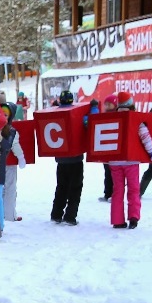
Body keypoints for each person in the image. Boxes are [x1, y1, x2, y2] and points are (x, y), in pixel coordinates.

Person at [109, 92, 152, 229]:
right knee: (133, 189)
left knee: (117, 190)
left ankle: (117, 220)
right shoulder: (136, 119)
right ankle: (134, 217)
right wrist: (151, 152)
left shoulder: (112, 118)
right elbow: (145, 136)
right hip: (131, 161)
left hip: (115, 162)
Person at [50, 90, 85, 225]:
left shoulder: (54, 113)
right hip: (76, 159)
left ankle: (56, 213)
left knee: (61, 187)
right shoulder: (77, 113)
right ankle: (70, 216)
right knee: (75, 188)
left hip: (61, 159)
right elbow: (88, 123)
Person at [0, 99, 26, 224]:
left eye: (5, 115)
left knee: (7, 190)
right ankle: (0, 216)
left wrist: (21, 157)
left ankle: (8, 215)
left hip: (4, 164)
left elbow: (14, 145)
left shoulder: (11, 132)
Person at [98, 94, 117, 202]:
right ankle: (107, 193)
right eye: (106, 104)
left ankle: (114, 194)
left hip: (114, 149)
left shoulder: (118, 115)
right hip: (106, 148)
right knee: (107, 172)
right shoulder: (103, 116)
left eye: (109, 104)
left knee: (115, 174)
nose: (107, 106)